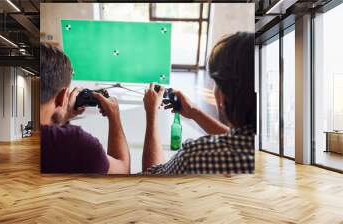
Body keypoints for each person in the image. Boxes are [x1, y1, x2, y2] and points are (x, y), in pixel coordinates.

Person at [142, 32, 255, 174]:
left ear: (222, 96)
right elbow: (236, 140)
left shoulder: (197, 155)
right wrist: (194, 112)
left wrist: (151, 114)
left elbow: (151, 177)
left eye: (216, 84)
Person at [40, 44, 130, 174]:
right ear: (62, 96)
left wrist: (63, 116)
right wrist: (114, 116)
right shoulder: (75, 143)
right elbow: (122, 170)